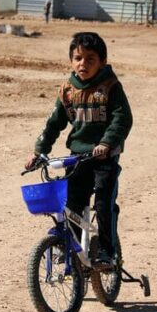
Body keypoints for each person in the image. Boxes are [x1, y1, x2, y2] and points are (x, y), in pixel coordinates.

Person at [25, 32, 133, 267]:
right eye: (78, 58)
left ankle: (107, 250)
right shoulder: (67, 90)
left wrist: (106, 143)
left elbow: (122, 119)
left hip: (105, 157)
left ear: (102, 62)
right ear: (71, 60)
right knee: (71, 202)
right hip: (78, 158)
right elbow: (54, 123)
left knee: (104, 202)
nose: (83, 64)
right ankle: (69, 247)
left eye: (90, 59)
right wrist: (38, 152)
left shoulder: (109, 86)